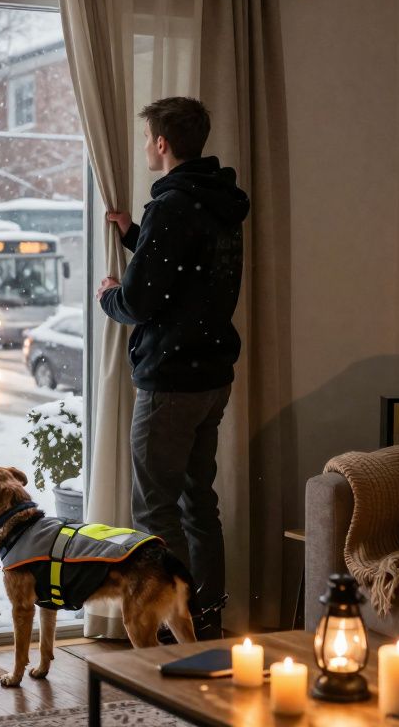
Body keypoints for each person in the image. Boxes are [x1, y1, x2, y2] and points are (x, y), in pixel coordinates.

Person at [95, 96, 248, 640]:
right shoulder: (219, 200)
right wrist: (135, 236)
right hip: (212, 375)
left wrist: (110, 295)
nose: (143, 148)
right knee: (198, 503)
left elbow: (139, 303)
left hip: (171, 379)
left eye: (145, 139)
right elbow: (194, 271)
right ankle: (207, 618)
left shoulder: (174, 204)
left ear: (162, 143)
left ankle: (172, 629)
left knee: (156, 512)